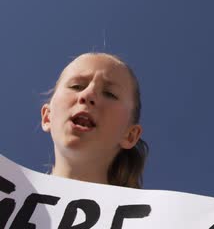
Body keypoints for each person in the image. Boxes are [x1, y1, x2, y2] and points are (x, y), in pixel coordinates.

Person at [41, 52, 148, 188]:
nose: (88, 94)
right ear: (47, 116)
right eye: (76, 86)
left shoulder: (160, 209)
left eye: (110, 94)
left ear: (130, 135)